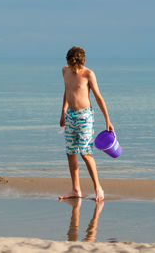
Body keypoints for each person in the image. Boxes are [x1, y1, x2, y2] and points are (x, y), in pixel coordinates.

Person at [59, 46, 114, 202]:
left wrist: (108, 120)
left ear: (81, 63)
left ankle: (98, 187)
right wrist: (62, 112)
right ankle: (76, 190)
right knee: (70, 153)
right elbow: (67, 90)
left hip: (85, 117)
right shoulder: (65, 71)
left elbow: (98, 97)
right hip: (70, 116)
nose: (74, 71)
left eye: (76, 67)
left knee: (85, 152)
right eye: (71, 67)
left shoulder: (89, 74)